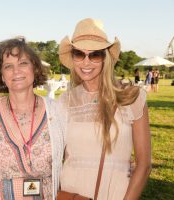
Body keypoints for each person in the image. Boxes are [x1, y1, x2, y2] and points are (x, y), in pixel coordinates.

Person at [58, 18, 151, 200]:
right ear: (73, 57)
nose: (86, 62)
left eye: (95, 55)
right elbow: (52, 157)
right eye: (79, 54)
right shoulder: (64, 101)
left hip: (116, 193)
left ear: (105, 57)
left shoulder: (132, 96)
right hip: (72, 192)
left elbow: (144, 164)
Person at [0, 38, 65, 199]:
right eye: (8, 66)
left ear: (35, 69)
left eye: (23, 63)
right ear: (1, 75)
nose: (16, 71)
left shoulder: (57, 111)